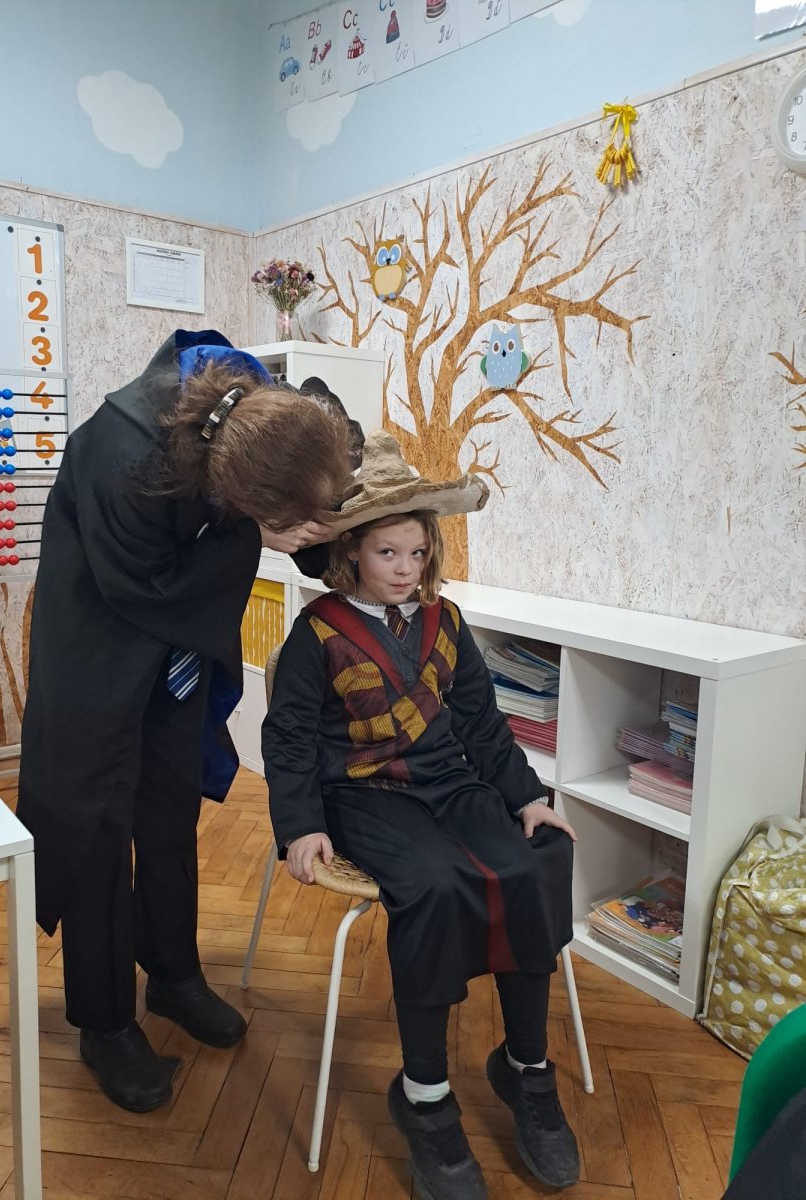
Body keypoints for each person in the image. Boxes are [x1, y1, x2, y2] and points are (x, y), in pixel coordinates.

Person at [17, 330, 353, 1113]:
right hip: (99, 646)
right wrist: (252, 537)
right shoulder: (121, 454)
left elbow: (303, 492)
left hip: (174, 652)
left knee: (168, 810)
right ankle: (104, 1023)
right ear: (234, 493)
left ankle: (171, 974)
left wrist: (325, 522)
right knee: (100, 831)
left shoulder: (266, 410)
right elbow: (147, 587)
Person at [262, 431, 580, 1198]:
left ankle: (527, 1069)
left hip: (450, 783)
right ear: (351, 553)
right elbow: (289, 737)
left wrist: (526, 797)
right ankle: (426, 1098)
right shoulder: (317, 632)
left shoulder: (449, 622)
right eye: (387, 553)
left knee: (526, 866)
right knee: (433, 887)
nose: (405, 568)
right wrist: (301, 825)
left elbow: (482, 725)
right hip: (362, 796)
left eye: (416, 551)